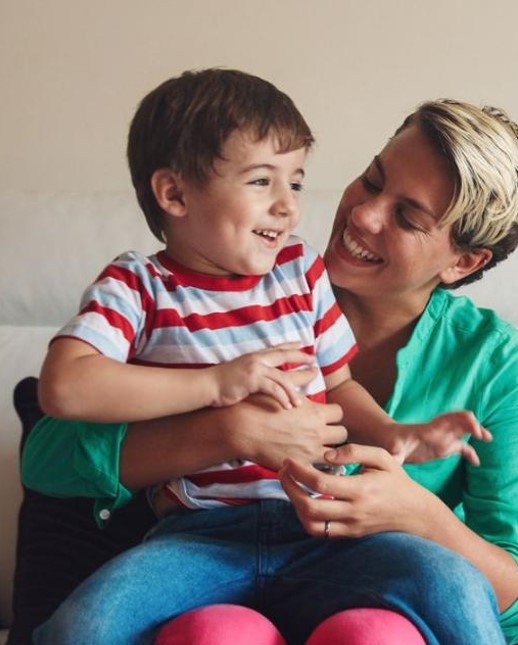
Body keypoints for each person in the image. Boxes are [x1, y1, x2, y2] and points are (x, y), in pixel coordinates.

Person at [23, 92, 518, 645]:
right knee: (109, 632)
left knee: (441, 598)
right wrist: (227, 428)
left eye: (408, 217)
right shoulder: (215, 276)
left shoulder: (489, 361)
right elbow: (50, 455)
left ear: (463, 261)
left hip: (358, 582)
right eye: (372, 179)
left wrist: (417, 509)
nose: (362, 214)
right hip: (204, 550)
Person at [36, 68, 488, 515]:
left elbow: (339, 388)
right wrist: (215, 385)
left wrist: (392, 434)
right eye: (260, 181)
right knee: (106, 594)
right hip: (200, 529)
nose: (288, 205)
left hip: (312, 520)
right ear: (174, 194)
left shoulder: (299, 270)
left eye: (295, 182)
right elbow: (66, 388)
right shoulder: (138, 287)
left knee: (435, 578)